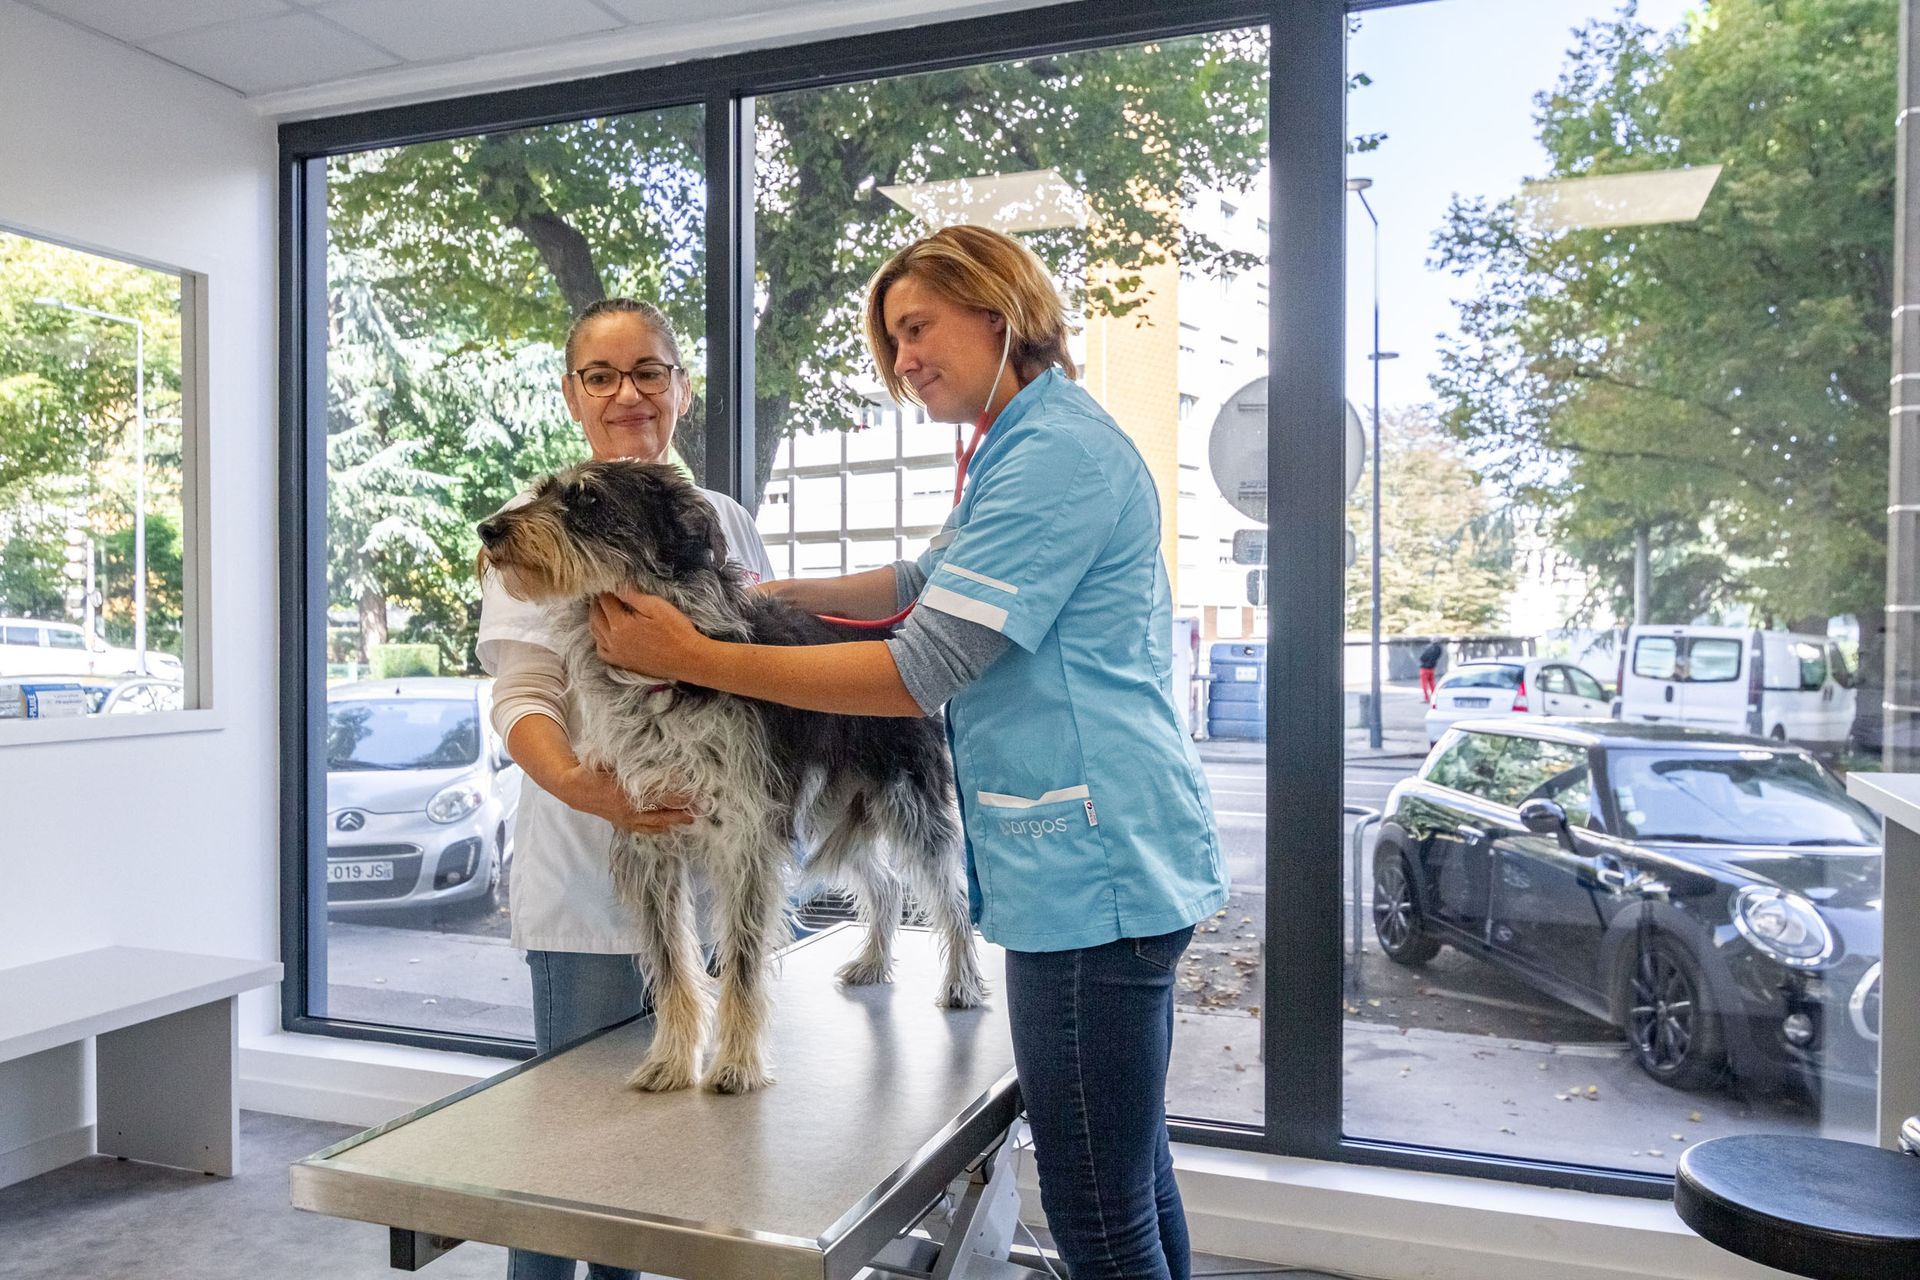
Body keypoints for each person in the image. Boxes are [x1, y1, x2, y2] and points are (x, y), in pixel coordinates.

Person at [586, 226, 1228, 1280]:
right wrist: (775, 596)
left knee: (1097, 1208)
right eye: (893, 341)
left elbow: (921, 666)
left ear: (1001, 313)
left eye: (918, 329)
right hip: (1102, 863)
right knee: (1133, 1173)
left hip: (1098, 870)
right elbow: (922, 581)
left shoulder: (1055, 458)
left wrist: (696, 655)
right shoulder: (1023, 442)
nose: (903, 360)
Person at [475, 297, 775, 1280]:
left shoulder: (721, 518)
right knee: (572, 1165)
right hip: (591, 880)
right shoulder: (537, 522)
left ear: (682, 387)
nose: (627, 393)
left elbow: (755, 669)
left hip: (713, 870)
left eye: (648, 370)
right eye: (600, 376)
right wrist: (589, 789)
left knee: (670, 1172)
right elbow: (522, 694)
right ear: (573, 395)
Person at [1418, 638, 1446, 705]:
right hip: (1432, 668)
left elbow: (1422, 657)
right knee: (1432, 683)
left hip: (1425, 668)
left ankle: (1426, 698)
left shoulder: (1430, 648)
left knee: (1424, 684)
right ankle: (1435, 697)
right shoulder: (1439, 649)